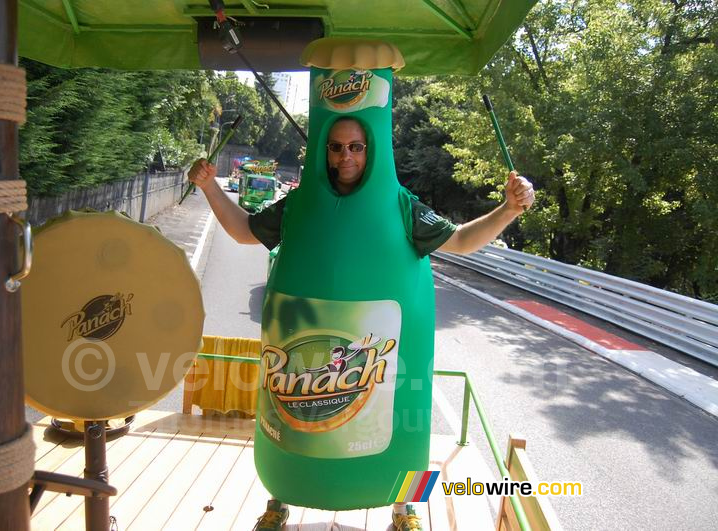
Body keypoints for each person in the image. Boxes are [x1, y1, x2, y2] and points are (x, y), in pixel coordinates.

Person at [188, 117, 535, 531]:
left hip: (377, 351)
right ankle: (279, 498)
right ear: (325, 152)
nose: (345, 156)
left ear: (372, 150)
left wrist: (509, 209)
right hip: (308, 342)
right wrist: (210, 187)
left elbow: (459, 240)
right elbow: (246, 231)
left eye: (356, 146)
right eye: (336, 147)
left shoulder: (401, 204)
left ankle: (405, 508)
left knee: (401, 415)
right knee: (294, 409)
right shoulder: (300, 204)